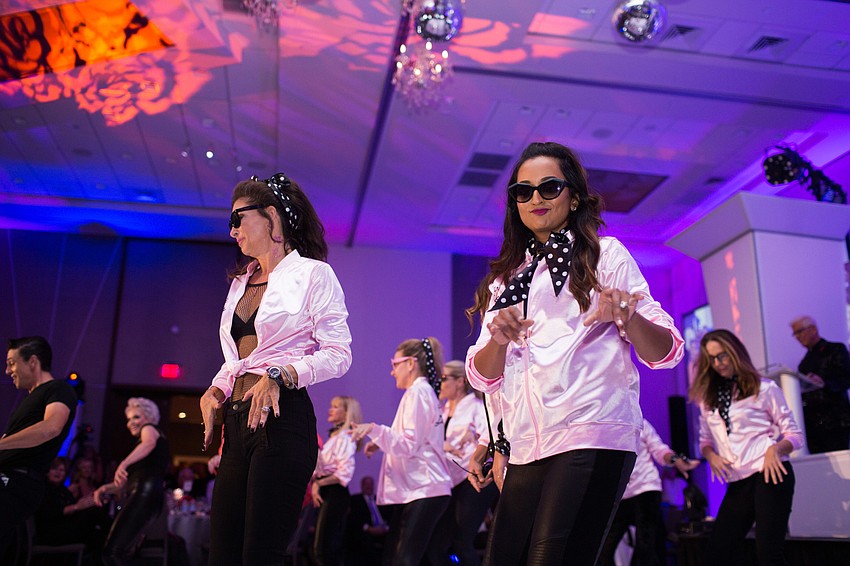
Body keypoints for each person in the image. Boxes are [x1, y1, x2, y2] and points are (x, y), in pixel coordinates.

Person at [464, 142, 684, 565]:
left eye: (549, 187)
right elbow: (482, 376)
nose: (535, 199)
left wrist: (626, 316)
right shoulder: (508, 280)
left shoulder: (607, 255)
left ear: (574, 196)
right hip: (527, 445)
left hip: (591, 431)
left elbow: (667, 351)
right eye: (523, 191)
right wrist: (498, 340)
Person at [199, 172, 353, 565]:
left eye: (238, 218)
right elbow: (238, 358)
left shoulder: (313, 274)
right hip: (236, 423)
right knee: (222, 554)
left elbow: (339, 353)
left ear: (271, 216)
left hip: (281, 420)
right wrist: (216, 389)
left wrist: (281, 375)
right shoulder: (241, 281)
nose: (232, 230)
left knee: (260, 556)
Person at [690, 329, 803, 565]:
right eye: (711, 359)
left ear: (735, 353)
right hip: (738, 481)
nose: (718, 363)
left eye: (722, 356)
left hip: (771, 474)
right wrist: (710, 456)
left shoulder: (764, 389)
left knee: (768, 554)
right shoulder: (707, 399)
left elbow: (795, 435)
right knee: (717, 554)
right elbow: (704, 441)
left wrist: (776, 449)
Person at [351, 337, 453, 566]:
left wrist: (374, 429)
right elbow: (416, 438)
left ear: (411, 363)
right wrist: (380, 440)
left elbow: (408, 444)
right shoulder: (420, 393)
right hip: (422, 489)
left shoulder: (418, 393)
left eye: (394, 364)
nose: (391, 371)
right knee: (408, 558)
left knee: (404, 560)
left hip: (426, 488)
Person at [1, 336, 78, 560]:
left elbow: (51, 428)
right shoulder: (30, 399)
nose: (7, 370)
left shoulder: (59, 389)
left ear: (32, 361)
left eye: (12, 363)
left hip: (16, 483)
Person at [597, 418, 699, 566]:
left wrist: (676, 460)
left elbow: (659, 449)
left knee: (645, 545)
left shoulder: (638, 421)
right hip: (622, 495)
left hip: (646, 489)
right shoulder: (603, 426)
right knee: (603, 548)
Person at [427, 360, 498, 566]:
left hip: (473, 478)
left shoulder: (476, 407)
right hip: (449, 482)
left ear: (460, 381)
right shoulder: (442, 410)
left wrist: (475, 438)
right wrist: (444, 445)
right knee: (436, 546)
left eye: (444, 378)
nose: (439, 383)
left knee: (461, 542)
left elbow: (489, 436)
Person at [93, 397, 169, 566]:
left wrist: (124, 463)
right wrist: (105, 488)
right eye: (129, 419)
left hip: (146, 493)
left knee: (112, 553)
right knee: (120, 554)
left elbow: (148, 443)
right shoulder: (143, 447)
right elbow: (128, 483)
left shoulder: (149, 429)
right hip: (148, 494)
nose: (131, 423)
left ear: (149, 418)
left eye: (136, 417)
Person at [310, 396, 363, 566]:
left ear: (347, 413)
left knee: (323, 548)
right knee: (322, 547)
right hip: (328, 492)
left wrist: (318, 484)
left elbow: (344, 474)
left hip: (335, 493)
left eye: (335, 407)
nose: (330, 410)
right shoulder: (335, 438)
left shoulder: (345, 437)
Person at [790, 315, 850, 453]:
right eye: (795, 333)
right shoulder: (804, 363)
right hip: (812, 423)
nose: (798, 337)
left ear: (813, 330)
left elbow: (846, 378)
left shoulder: (835, 349)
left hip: (835, 420)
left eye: (800, 331)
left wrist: (825, 383)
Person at [34, 456, 110, 557]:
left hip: (65, 528)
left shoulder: (63, 490)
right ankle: (118, 536)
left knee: (97, 536)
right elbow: (50, 513)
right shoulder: (44, 489)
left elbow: (74, 507)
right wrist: (77, 507)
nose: (58, 472)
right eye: (55, 469)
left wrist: (82, 504)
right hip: (50, 532)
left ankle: (113, 552)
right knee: (95, 514)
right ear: (48, 471)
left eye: (62, 470)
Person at [346, 475, 389, 566]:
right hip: (365, 531)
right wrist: (368, 528)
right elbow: (354, 518)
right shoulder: (355, 500)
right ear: (362, 486)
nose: (369, 487)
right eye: (366, 484)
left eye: (371, 484)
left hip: (384, 531)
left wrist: (386, 528)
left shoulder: (380, 500)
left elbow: (389, 516)